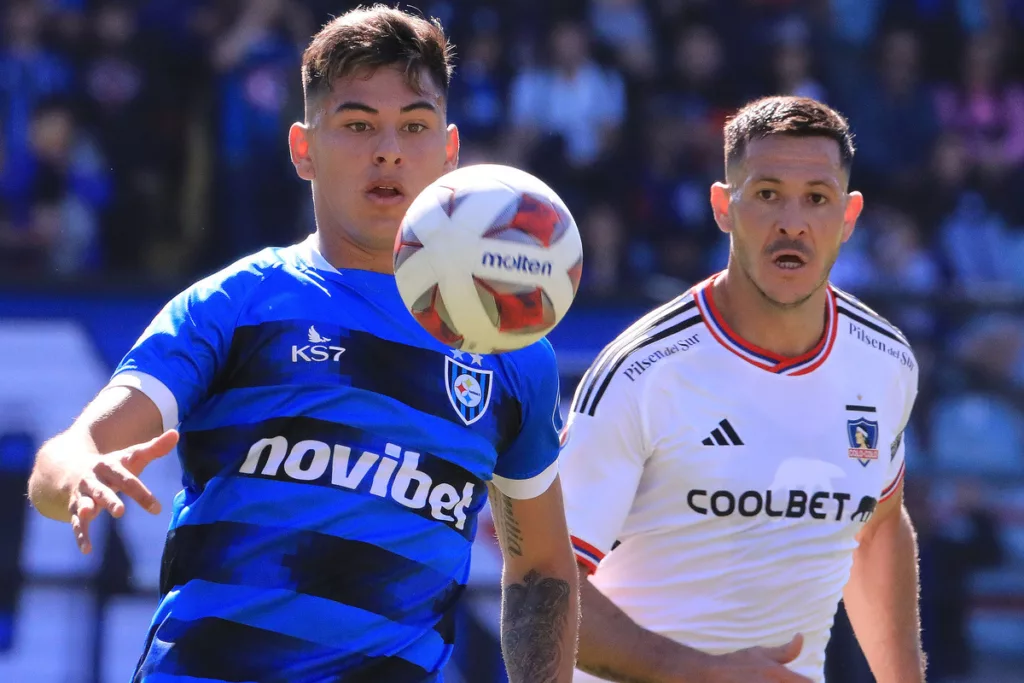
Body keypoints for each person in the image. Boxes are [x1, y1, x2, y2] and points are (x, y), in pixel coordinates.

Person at [26, 7, 579, 683]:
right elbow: (66, 454)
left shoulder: (511, 347)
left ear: (450, 150)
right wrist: (77, 475)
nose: (388, 150)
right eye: (356, 125)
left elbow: (542, 570)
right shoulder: (238, 304)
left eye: (414, 124)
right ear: (302, 148)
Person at [558, 96, 925, 683]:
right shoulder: (643, 371)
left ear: (849, 217)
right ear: (723, 207)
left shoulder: (885, 361)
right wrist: (698, 672)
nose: (792, 222)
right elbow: (545, 586)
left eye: (817, 198)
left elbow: (877, 527)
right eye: (767, 193)